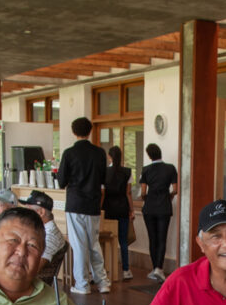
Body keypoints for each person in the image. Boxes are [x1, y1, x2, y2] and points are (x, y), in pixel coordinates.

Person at [56, 117, 109, 294]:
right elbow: (104, 179)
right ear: (90, 131)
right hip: (93, 204)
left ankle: (82, 284)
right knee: (94, 243)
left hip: (75, 204)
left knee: (79, 245)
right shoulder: (100, 153)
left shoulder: (69, 153)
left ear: (74, 132)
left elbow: (61, 181)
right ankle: (102, 282)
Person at [139, 143, 177, 282]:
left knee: (152, 238)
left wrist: (147, 198)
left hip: (149, 208)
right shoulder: (170, 168)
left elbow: (143, 192)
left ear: (149, 156)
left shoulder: (146, 170)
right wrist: (169, 196)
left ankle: (154, 268)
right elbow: (175, 189)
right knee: (162, 238)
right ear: (160, 153)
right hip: (164, 207)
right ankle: (159, 269)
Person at [103, 145, 134, 280]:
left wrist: (100, 209)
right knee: (123, 241)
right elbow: (128, 193)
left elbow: (103, 193)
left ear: (109, 157)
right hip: (122, 209)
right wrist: (131, 210)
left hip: (108, 209)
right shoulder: (127, 172)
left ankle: (107, 269)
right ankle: (126, 270)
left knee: (107, 240)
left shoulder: (104, 172)